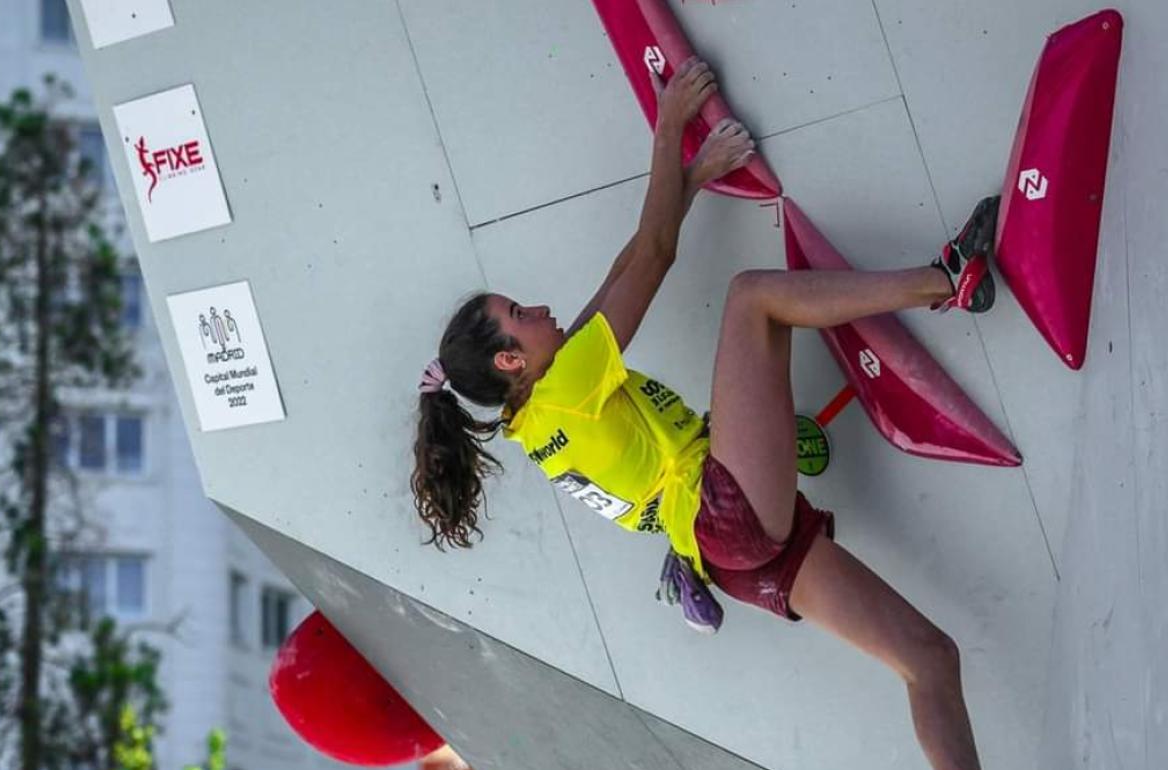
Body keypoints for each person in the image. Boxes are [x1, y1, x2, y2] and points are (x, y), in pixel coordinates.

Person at [411, 57, 994, 770]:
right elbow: (653, 256)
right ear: (510, 361)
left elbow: (627, 265)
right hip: (725, 513)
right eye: (517, 314)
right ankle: (949, 279)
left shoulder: (535, 417)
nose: (535, 308)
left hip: (730, 560)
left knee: (930, 659)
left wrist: (692, 175)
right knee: (753, 298)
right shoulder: (563, 384)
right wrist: (669, 128)